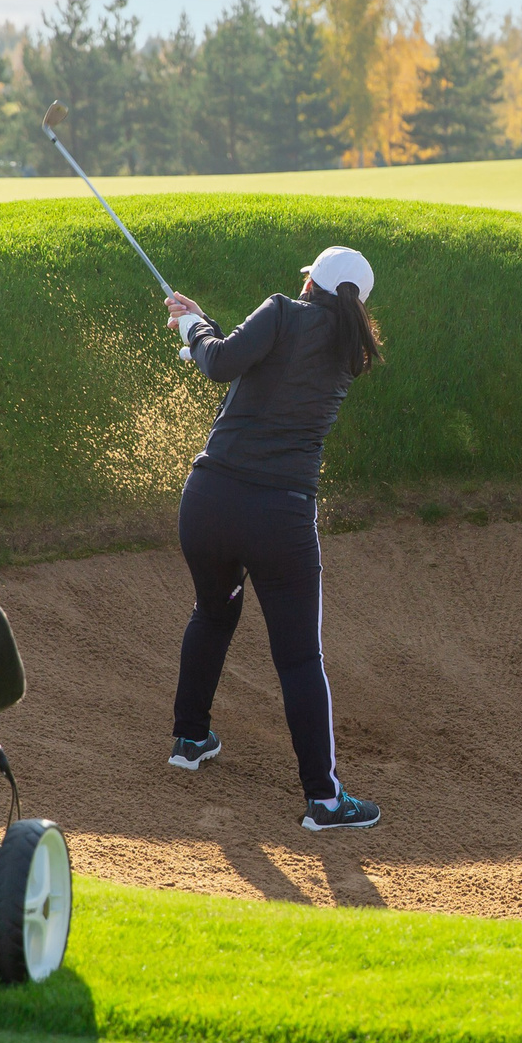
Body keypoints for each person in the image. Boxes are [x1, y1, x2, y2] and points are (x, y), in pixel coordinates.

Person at [160, 245, 384, 831]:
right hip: (280, 520)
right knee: (299, 659)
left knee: (212, 613)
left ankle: (189, 739)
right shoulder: (348, 350)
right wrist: (198, 336)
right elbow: (239, 364)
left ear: (310, 281)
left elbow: (219, 362)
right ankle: (324, 801)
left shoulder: (282, 311)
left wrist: (193, 325)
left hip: (209, 503)